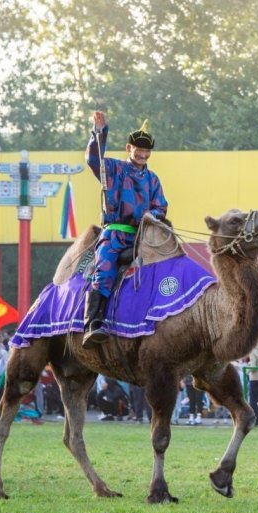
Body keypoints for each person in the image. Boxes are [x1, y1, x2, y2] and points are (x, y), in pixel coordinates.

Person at [83, 110, 169, 347]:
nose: (142, 154)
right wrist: (99, 132)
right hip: (115, 233)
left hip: (143, 237)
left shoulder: (153, 179)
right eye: (138, 150)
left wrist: (154, 217)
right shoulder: (113, 169)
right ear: (128, 148)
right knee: (105, 268)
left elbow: (160, 206)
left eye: (146, 151)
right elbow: (93, 159)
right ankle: (93, 322)